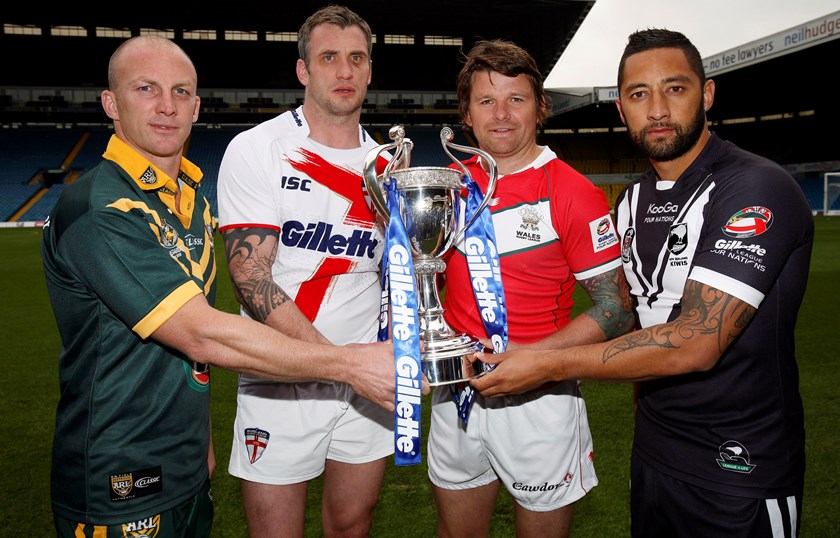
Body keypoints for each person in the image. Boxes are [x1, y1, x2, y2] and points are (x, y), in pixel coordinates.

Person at [41, 35, 405, 538]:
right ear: (111, 104)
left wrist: (201, 442)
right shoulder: (101, 210)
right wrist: (349, 364)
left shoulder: (189, 204)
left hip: (185, 463)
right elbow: (202, 334)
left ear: (196, 107)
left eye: (182, 91)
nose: (167, 106)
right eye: (146, 89)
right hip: (119, 475)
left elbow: (190, 356)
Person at [471, 28, 812, 537]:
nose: (656, 109)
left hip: (740, 468)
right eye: (638, 94)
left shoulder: (755, 185)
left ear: (708, 94)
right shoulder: (632, 202)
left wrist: (544, 362)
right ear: (620, 110)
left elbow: (695, 342)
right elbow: (637, 315)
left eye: (674, 89)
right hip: (655, 457)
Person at [427, 39, 635, 538]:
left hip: (541, 399)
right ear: (467, 116)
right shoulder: (444, 190)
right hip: (456, 394)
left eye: (516, 99)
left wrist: (536, 360)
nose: (501, 114)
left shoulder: (573, 192)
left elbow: (616, 308)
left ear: (540, 109)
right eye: (486, 101)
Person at [215, 6, 394, 538]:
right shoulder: (258, 149)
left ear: (369, 71)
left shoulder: (389, 166)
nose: (344, 71)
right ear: (304, 71)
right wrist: (338, 362)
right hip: (281, 374)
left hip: (368, 380)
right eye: (329, 58)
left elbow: (401, 277)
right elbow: (251, 279)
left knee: (352, 523)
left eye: (356, 59)